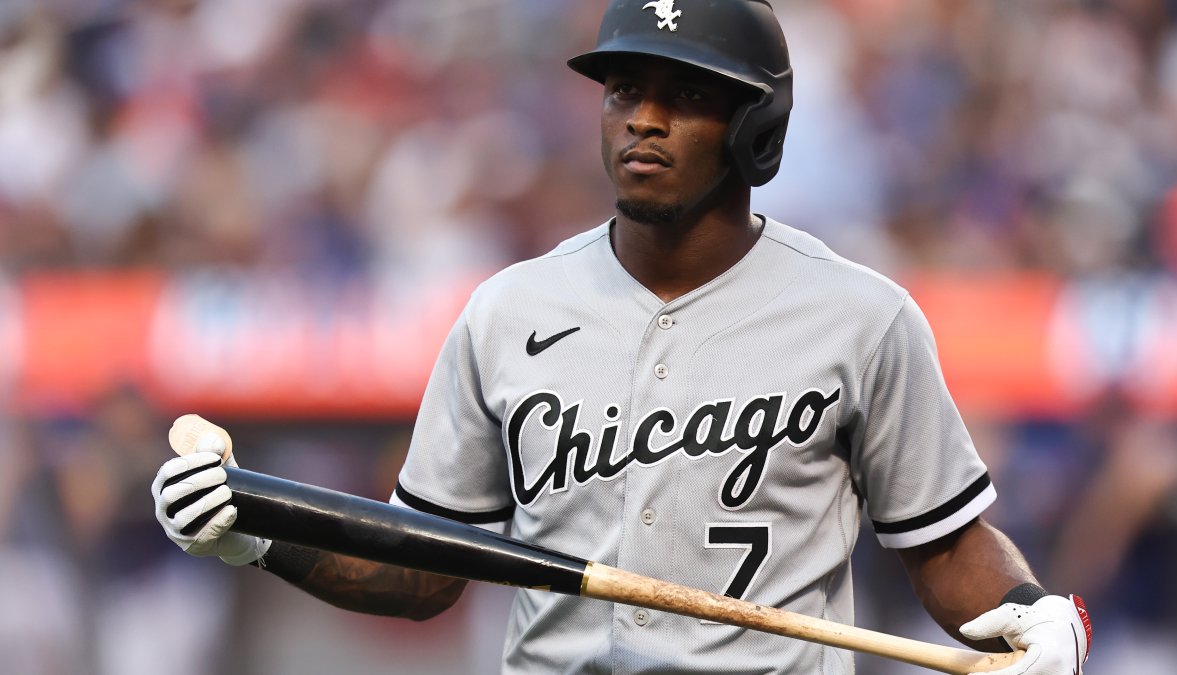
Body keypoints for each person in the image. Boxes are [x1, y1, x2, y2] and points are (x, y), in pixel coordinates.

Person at [152, 1, 1092, 672]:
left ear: (756, 126)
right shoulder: (506, 311)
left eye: (684, 95)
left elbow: (942, 545)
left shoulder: (863, 316)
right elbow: (424, 567)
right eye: (624, 90)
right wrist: (253, 530)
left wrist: (1040, 615)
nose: (643, 117)